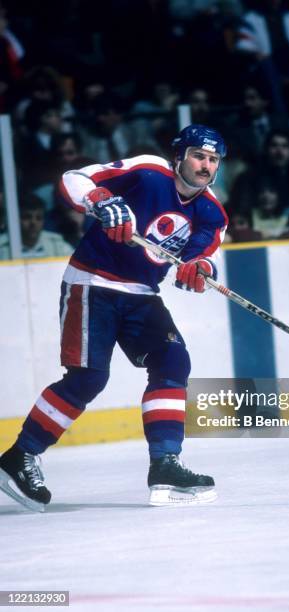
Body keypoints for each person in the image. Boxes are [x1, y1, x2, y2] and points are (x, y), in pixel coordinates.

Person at [0, 124, 228, 510]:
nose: (205, 166)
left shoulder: (212, 212)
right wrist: (101, 201)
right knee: (89, 377)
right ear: (179, 156)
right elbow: (74, 179)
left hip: (141, 294)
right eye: (198, 156)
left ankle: (165, 464)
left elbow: (203, 254)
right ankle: (19, 457)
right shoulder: (149, 171)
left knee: (173, 359)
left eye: (213, 160)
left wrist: (199, 270)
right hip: (93, 282)